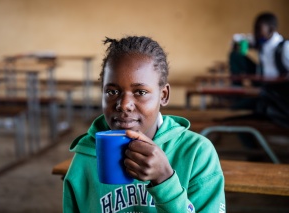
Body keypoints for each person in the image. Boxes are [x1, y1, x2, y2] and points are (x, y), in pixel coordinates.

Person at [63, 36, 226, 213]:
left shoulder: (196, 153)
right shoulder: (85, 159)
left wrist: (164, 179)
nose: (124, 104)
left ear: (163, 95)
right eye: (112, 91)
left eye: (140, 92)